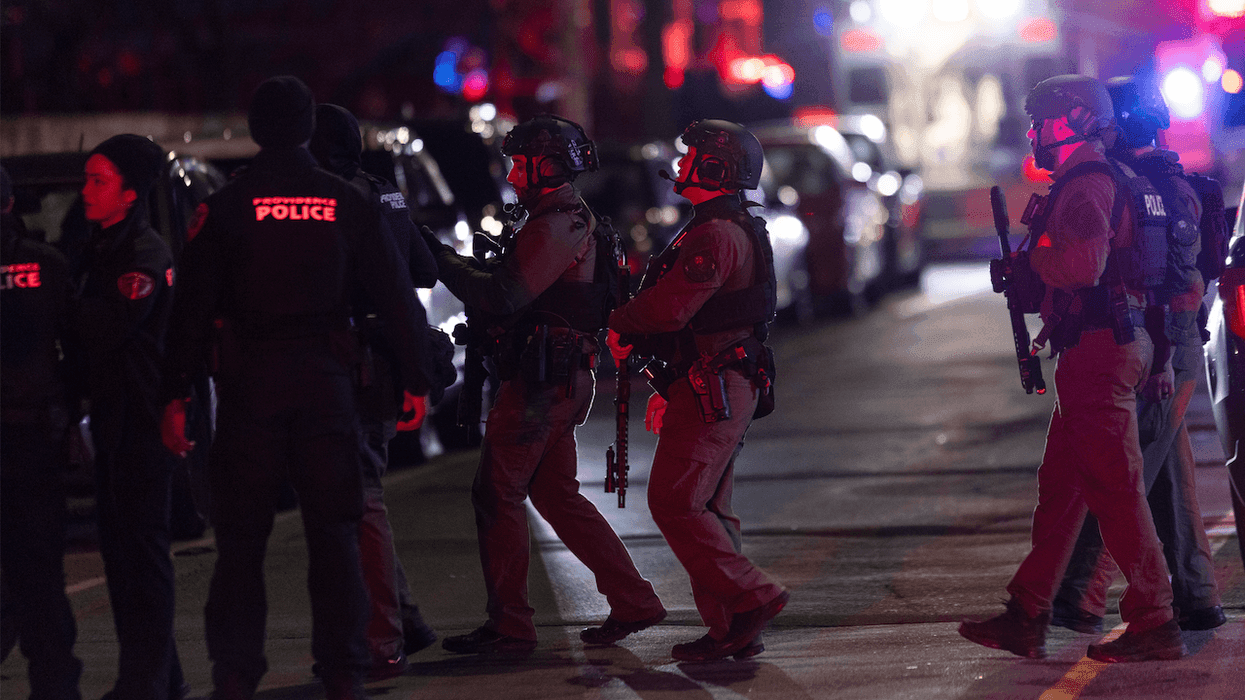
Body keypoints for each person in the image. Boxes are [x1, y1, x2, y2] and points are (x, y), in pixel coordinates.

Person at [159, 75, 433, 699]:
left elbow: (190, 312)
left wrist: (174, 395)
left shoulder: (226, 206)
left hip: (249, 388)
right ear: (309, 128)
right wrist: (415, 378)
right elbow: (396, 297)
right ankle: (344, 670)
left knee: (240, 544)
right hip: (326, 387)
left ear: (256, 130)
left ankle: (236, 673)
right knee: (334, 538)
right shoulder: (346, 201)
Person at [958, 75, 1183, 663]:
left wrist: (1029, 264)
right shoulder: (1101, 178)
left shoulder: (1087, 185)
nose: (1035, 133)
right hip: (1100, 346)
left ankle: (1156, 618)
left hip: (1101, 350)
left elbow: (1083, 267)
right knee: (1062, 489)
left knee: (1116, 489)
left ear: (1075, 120)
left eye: (1043, 122)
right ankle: (1027, 612)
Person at [422, 114, 666, 654]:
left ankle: (510, 624)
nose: (512, 175)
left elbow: (503, 295)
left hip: (542, 384)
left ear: (548, 166)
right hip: (555, 377)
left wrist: (439, 260)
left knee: (497, 492)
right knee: (555, 495)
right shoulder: (560, 219)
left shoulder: (558, 223)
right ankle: (634, 600)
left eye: (520, 164)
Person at [606, 119, 789, 662]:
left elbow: (670, 309)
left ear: (715, 167)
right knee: (707, 506)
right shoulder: (716, 226)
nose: (681, 164)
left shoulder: (716, 233)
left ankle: (753, 597)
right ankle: (731, 627)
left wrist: (617, 320)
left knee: (676, 501)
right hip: (713, 381)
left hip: (715, 385)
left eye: (690, 157)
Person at [1050, 76, 1225, 636]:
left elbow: (1146, 281)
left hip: (1157, 344)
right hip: (1179, 342)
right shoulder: (1182, 185)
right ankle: (1197, 595)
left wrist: (1157, 359)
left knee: (1123, 478)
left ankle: (1081, 591)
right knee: (1170, 473)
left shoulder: (1135, 187)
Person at [309, 103, 442, 680]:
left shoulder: (334, 198)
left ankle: (382, 639)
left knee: (359, 504)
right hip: (385, 363)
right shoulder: (385, 191)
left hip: (351, 366)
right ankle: (403, 621)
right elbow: (423, 271)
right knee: (362, 498)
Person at [73, 134, 188, 700]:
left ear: (130, 193)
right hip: (113, 421)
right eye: (87, 179)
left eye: (100, 181)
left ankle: (145, 682)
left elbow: (106, 326)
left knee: (141, 558)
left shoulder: (142, 252)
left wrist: (59, 311)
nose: (86, 191)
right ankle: (160, 677)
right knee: (121, 558)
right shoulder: (100, 247)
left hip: (141, 422)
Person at [0, 164, 84, 698]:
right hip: (31, 441)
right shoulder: (46, 265)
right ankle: (55, 684)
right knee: (40, 574)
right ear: (10, 204)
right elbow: (77, 352)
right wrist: (68, 415)